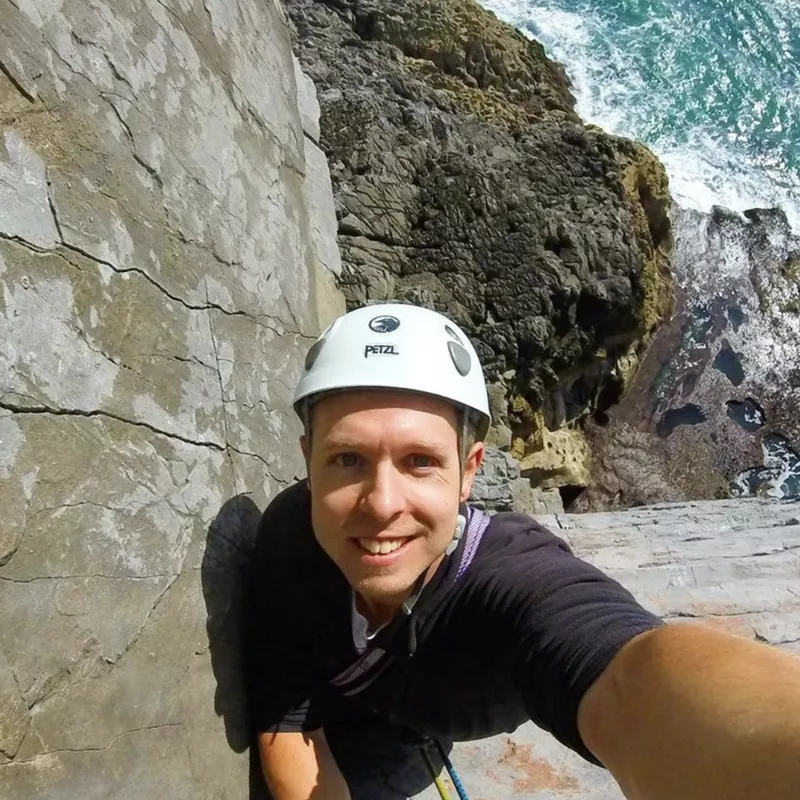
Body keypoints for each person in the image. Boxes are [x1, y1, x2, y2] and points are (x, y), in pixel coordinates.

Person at [244, 302, 800, 800]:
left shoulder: (511, 578)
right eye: (347, 459)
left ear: (468, 473)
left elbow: (627, 674)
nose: (382, 503)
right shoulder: (295, 537)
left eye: (420, 461)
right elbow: (291, 721)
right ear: (308, 461)